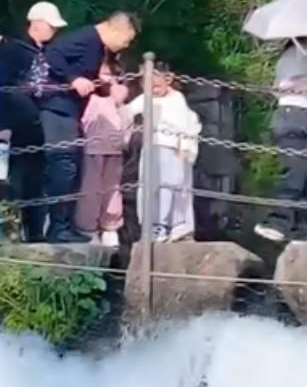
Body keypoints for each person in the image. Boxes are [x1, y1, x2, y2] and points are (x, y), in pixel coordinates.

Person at [38, 12, 137, 243]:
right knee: (63, 166)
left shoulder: (98, 47)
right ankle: (57, 228)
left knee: (71, 166)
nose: (126, 45)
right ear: (115, 30)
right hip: (58, 108)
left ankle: (63, 225)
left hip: (71, 110)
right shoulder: (86, 38)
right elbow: (52, 53)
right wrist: (73, 79)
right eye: (126, 39)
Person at [254, 36, 307, 245]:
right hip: (292, 116)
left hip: (304, 117)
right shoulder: (295, 54)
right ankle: (275, 223)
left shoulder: (306, 55)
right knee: (294, 173)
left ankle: (305, 229)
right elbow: (283, 87)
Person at [0, 2, 67, 241]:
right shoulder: (12, 50)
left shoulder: (48, 52)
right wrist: (3, 124)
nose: (54, 31)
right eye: (50, 26)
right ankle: (10, 233)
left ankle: (35, 233)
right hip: (12, 128)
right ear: (36, 23)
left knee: (35, 182)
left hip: (37, 127)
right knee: (11, 182)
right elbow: (3, 85)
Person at [125, 65, 200, 241]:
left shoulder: (177, 99)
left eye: (157, 86)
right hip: (152, 146)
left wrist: (184, 148)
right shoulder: (146, 98)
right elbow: (128, 111)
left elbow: (185, 126)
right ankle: (149, 224)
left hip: (171, 147)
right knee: (148, 186)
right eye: (148, 87)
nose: (153, 91)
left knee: (169, 186)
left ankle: (166, 224)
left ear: (168, 80)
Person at [75, 61, 130, 246]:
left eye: (109, 74)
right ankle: (88, 228)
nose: (106, 79)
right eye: (102, 74)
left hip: (114, 151)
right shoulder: (88, 98)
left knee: (113, 191)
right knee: (90, 191)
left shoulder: (118, 99)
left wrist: (120, 102)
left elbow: (127, 122)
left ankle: (110, 226)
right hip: (91, 150)